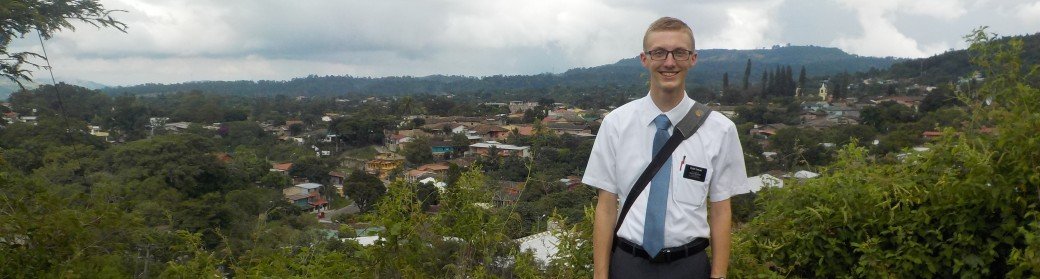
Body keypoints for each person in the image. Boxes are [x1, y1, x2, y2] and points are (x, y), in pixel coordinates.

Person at [583, 17, 748, 279]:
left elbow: (721, 210)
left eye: (679, 53)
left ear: (692, 59)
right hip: (628, 264)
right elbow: (605, 207)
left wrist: (718, 275)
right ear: (644, 59)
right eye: (659, 52)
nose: (669, 62)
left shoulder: (721, 130)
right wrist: (600, 276)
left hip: (689, 266)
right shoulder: (616, 124)